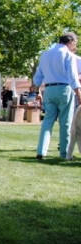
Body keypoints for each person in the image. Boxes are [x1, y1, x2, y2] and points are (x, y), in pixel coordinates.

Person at [33, 32, 81, 160]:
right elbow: (73, 77)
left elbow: (38, 76)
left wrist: (37, 91)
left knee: (47, 121)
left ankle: (41, 151)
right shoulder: (67, 54)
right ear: (70, 42)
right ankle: (64, 153)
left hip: (48, 90)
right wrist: (79, 96)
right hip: (64, 89)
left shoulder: (45, 54)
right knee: (65, 122)